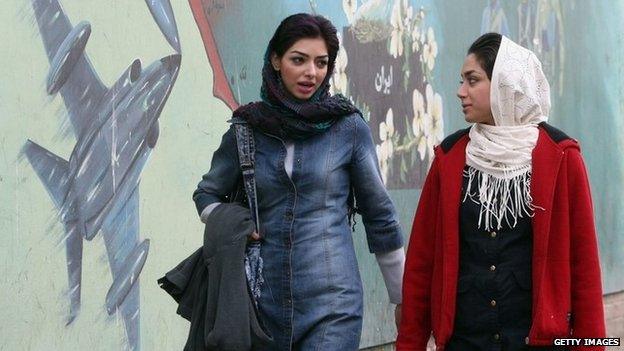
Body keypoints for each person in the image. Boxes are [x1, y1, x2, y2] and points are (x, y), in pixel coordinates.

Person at [193, 13, 405, 350]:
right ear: (276, 60)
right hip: (264, 304)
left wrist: (401, 299)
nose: (312, 72)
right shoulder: (247, 129)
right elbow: (206, 194)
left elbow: (380, 215)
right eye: (298, 60)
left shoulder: (347, 128)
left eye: (321, 63)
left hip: (334, 305)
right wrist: (234, 223)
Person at [397, 33, 606, 350]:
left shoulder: (561, 156)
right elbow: (421, 264)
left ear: (504, 84)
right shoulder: (450, 158)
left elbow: (584, 266)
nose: (460, 92)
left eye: (472, 80)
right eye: (462, 81)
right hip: (465, 342)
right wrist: (409, 343)